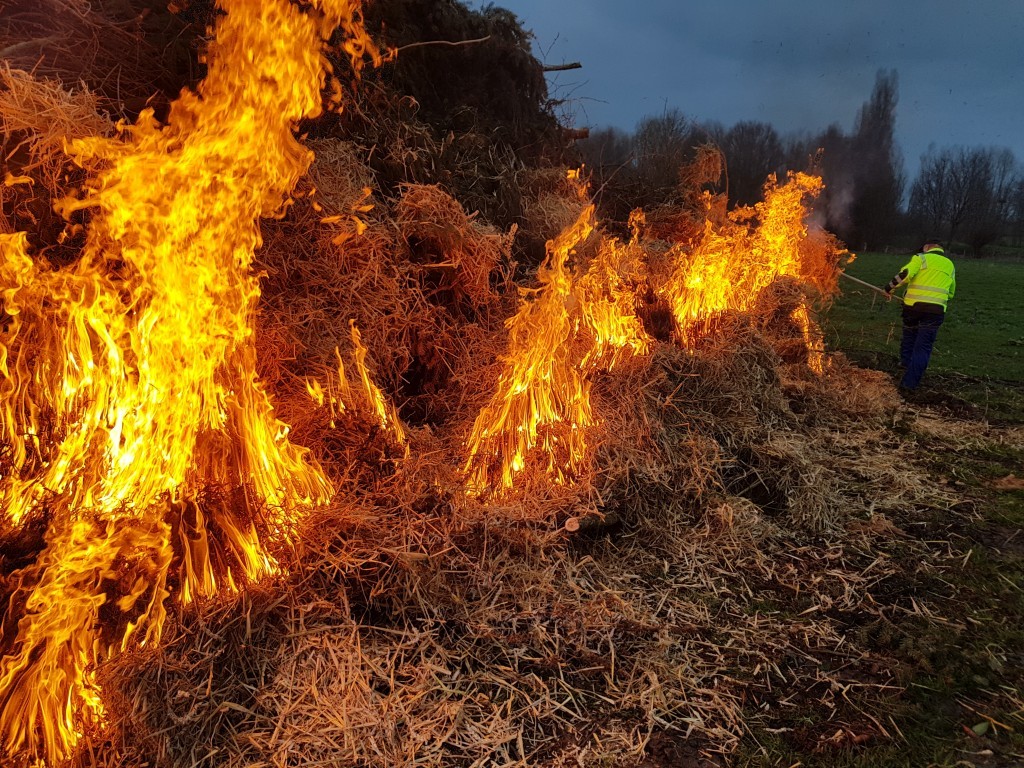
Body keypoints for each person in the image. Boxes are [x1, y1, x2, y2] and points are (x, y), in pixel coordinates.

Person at [883, 241, 956, 391]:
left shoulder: (921, 258)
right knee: (923, 347)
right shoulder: (950, 264)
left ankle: (904, 364)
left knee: (909, 336)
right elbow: (951, 292)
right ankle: (910, 383)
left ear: (928, 246)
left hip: (913, 308)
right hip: (935, 312)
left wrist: (889, 288)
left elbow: (906, 274)